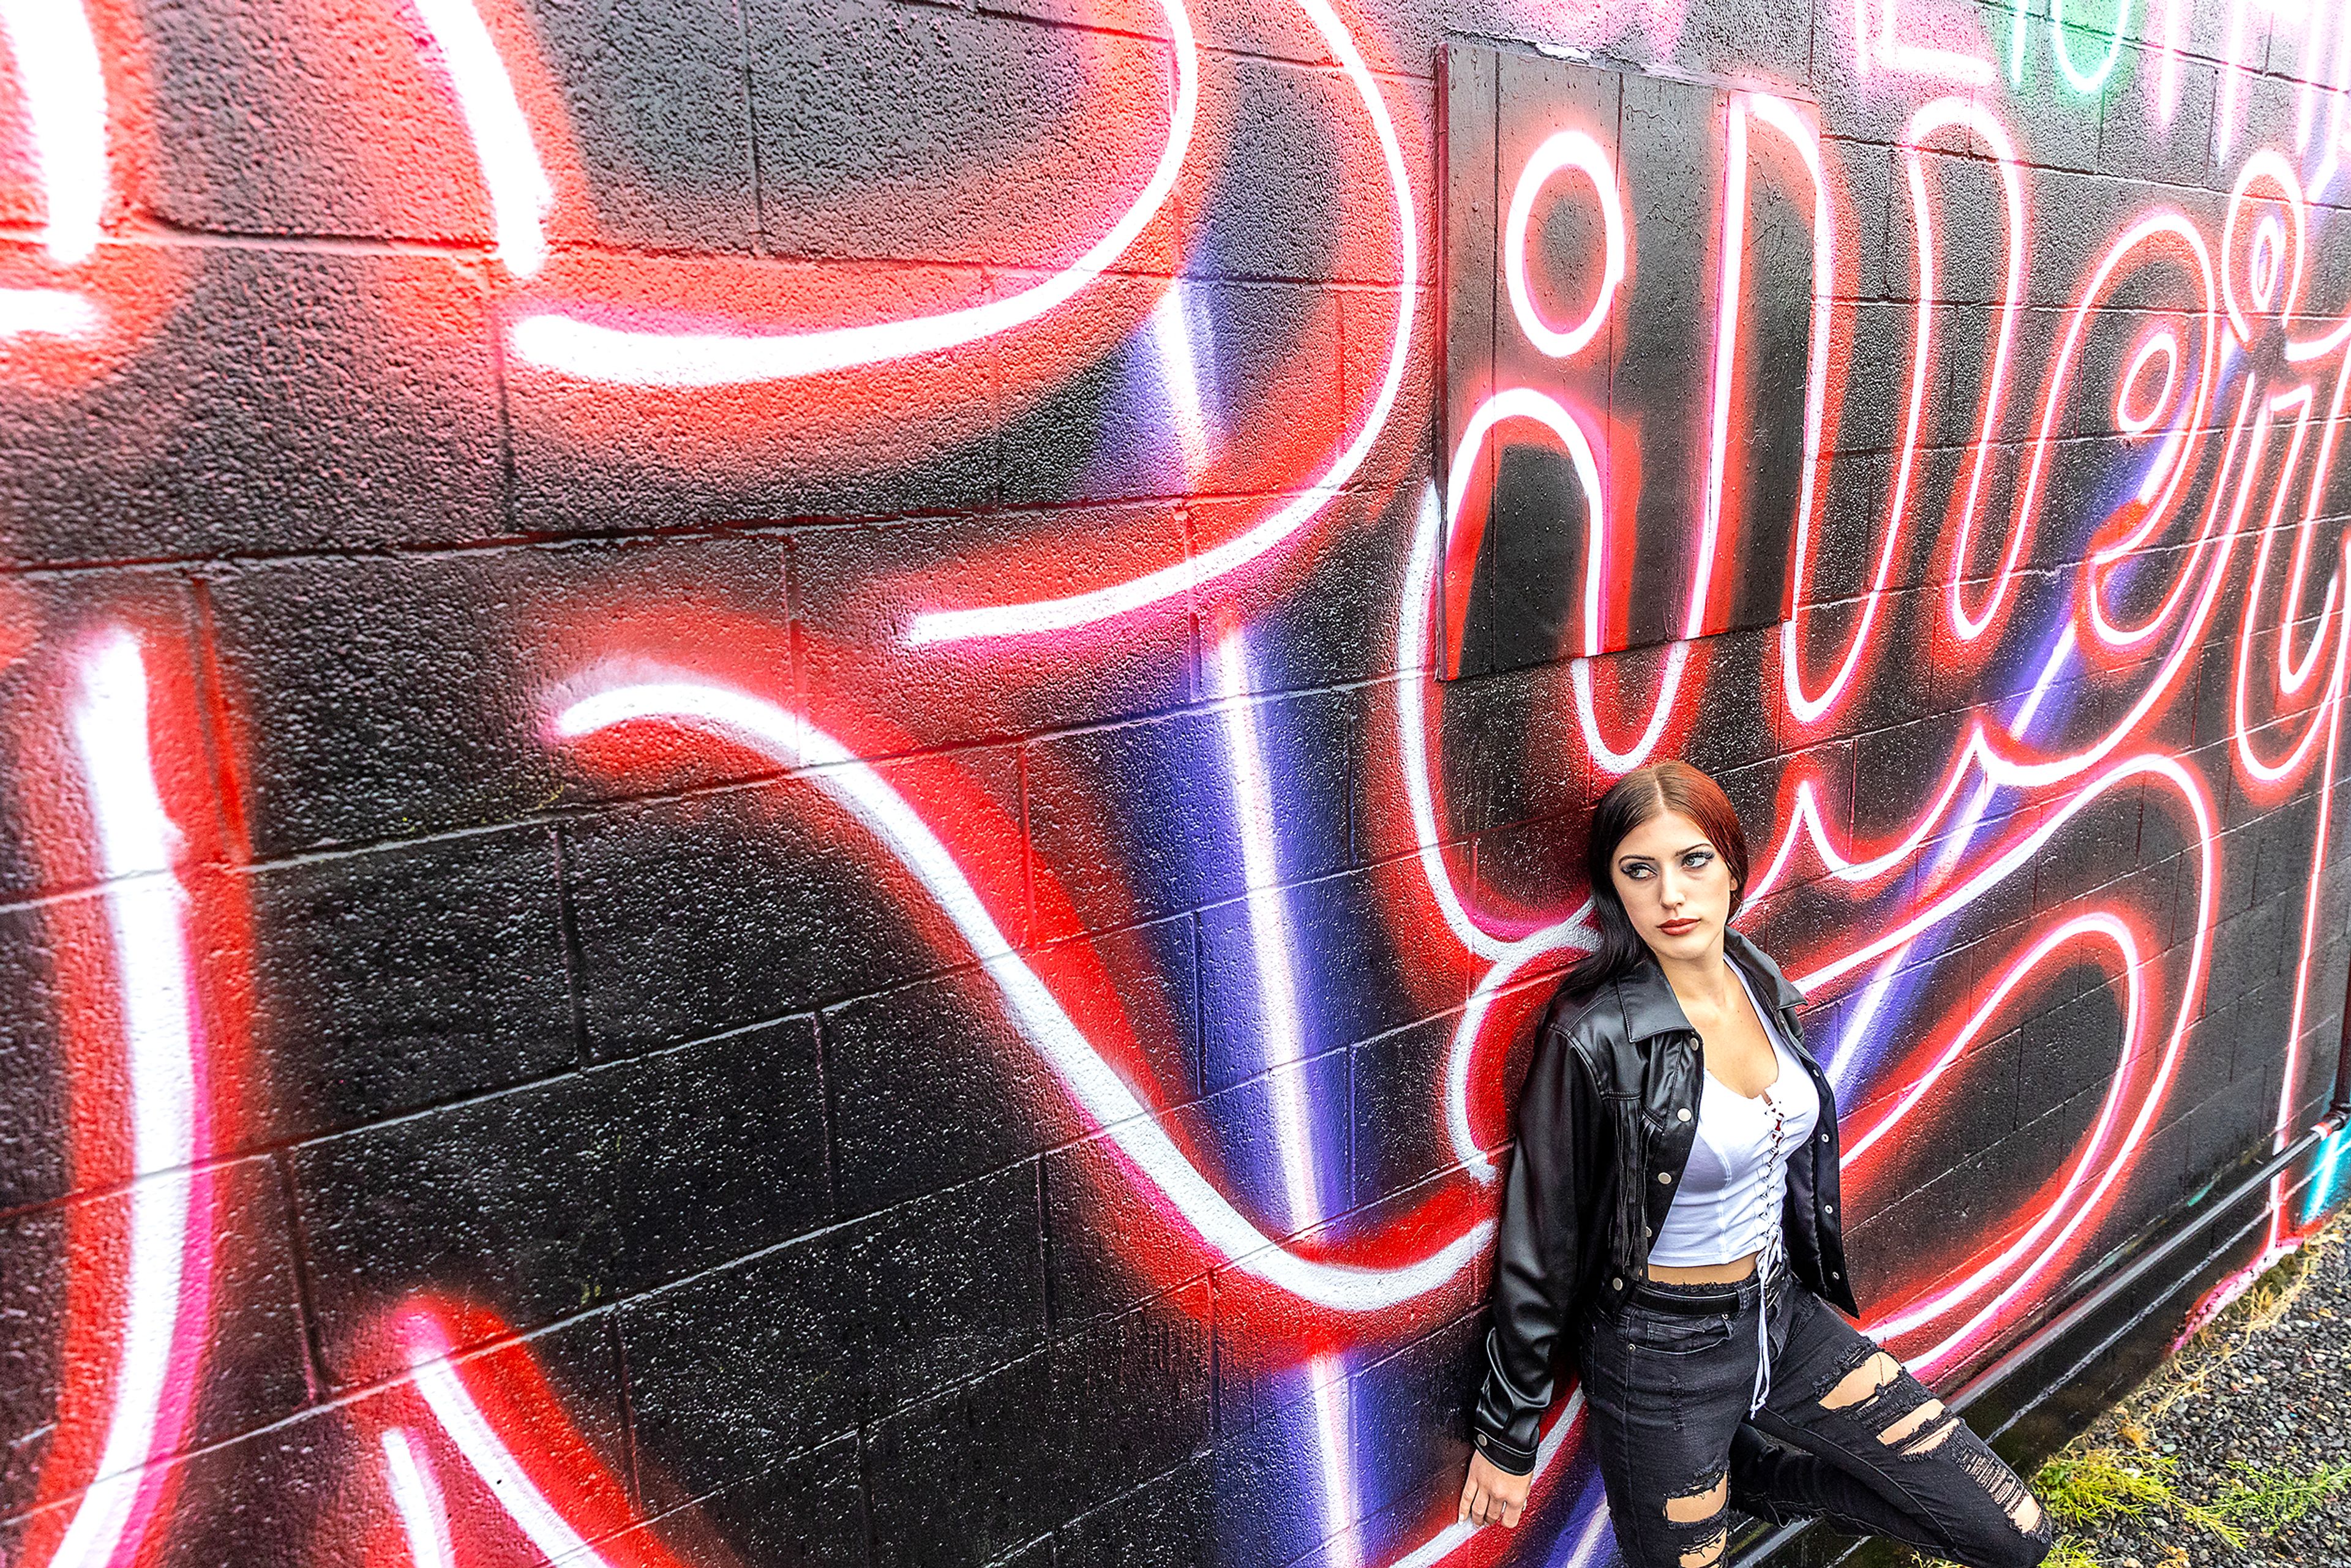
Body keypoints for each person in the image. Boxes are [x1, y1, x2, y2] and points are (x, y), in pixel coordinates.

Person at [1454, 760, 2052, 1568]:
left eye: (1693, 860)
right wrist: (1508, 1431)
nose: (1672, 893)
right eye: (1641, 870)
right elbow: (1542, 1243)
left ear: (1732, 868)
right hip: (1660, 1357)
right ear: (1616, 891)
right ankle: (1721, 1471)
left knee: (2007, 1527)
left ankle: (1755, 1479)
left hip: (1782, 1317)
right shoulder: (1593, 1033)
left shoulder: (1760, 979)